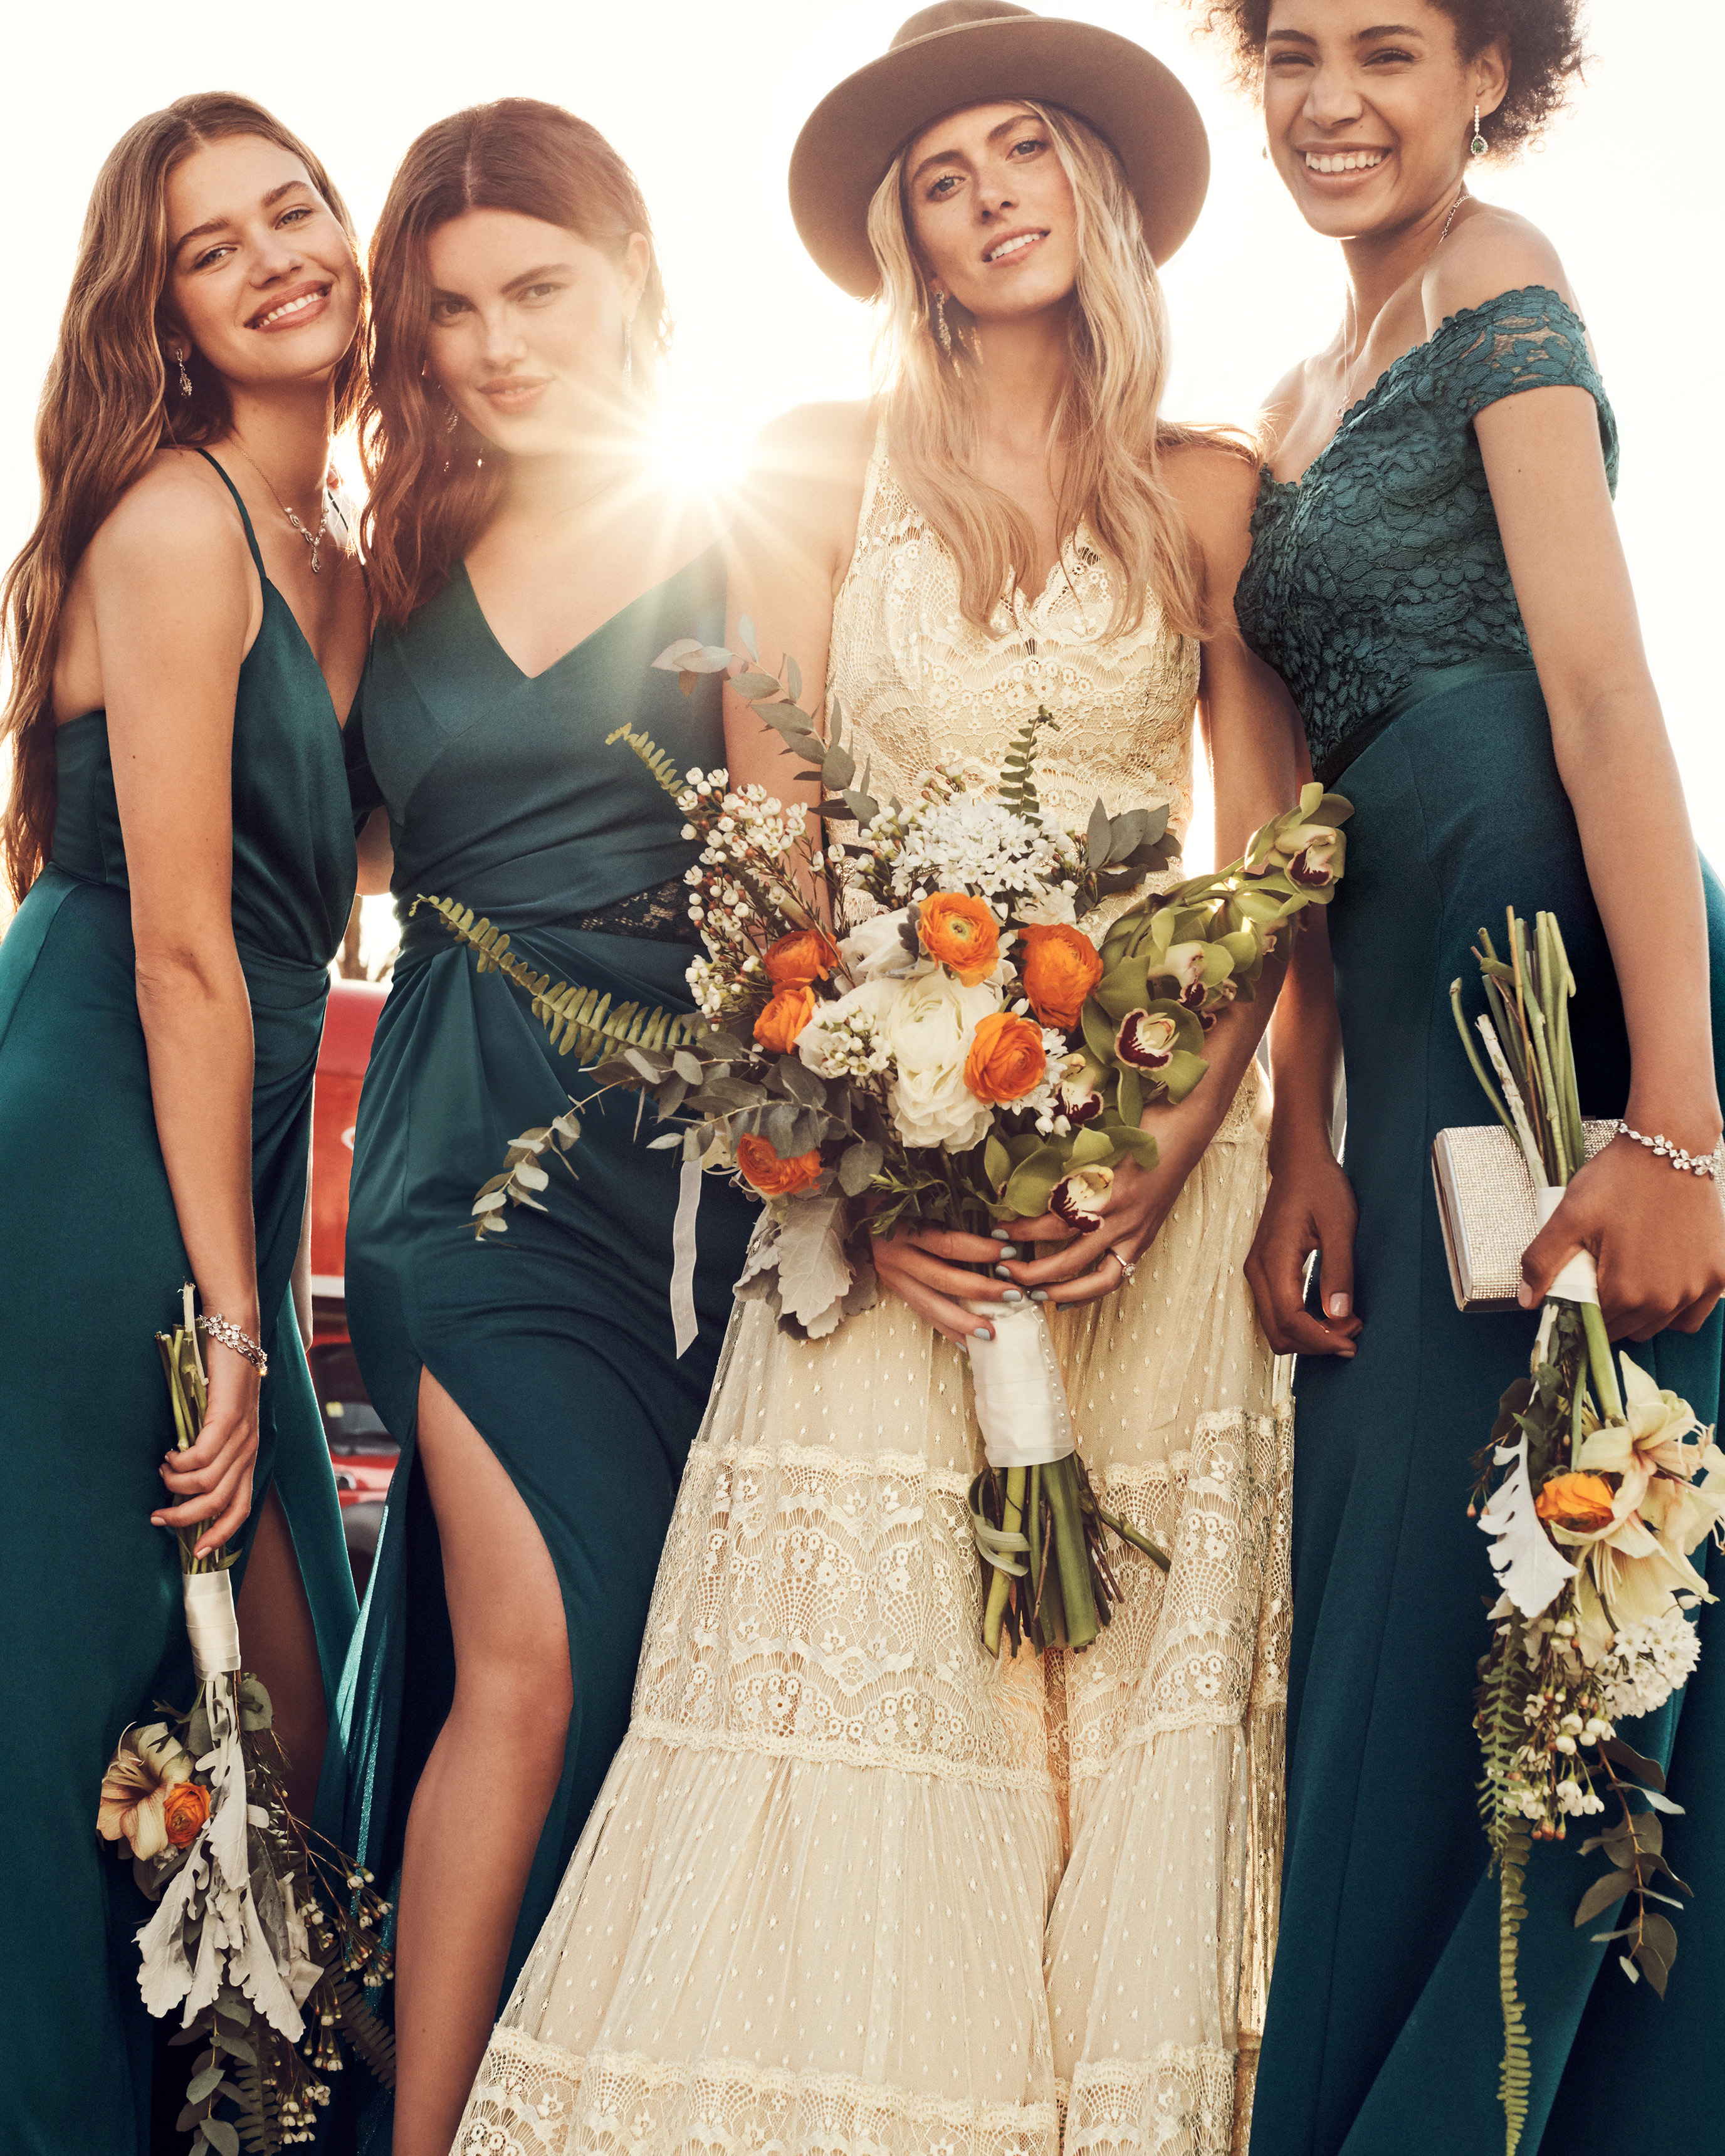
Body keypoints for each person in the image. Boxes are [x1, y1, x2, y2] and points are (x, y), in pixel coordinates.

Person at [454, 9, 1304, 2152]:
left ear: (1092, 191)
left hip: (1155, 1187)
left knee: (1128, 1713)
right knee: (869, 1689)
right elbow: (778, 875)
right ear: (902, 239)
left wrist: (1179, 1139)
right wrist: (876, 1178)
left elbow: (1269, 863)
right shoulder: (812, 472)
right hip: (887, 1194)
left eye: (1025, 152)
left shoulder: (1212, 491)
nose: (993, 194)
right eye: (943, 174)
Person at [1214, 4, 1725, 2151]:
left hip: (1555, 978)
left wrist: (1678, 1118)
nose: (1335, 99)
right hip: (1402, 998)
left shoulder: (1505, 283)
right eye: (1295, 49)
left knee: (1559, 1563)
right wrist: (1297, 1138)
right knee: (1410, 1572)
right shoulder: (1292, 393)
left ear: (1487, 80)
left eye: (1392, 50)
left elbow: (1603, 695)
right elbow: (1289, 843)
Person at [334, 99, 761, 2156]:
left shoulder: (735, 527)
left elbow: (798, 866)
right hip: (447, 1155)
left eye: (537, 291)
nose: (493, 345)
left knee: (651, 1649)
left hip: (682, 1166)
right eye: (446, 314)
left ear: (631, 283)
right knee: (530, 1649)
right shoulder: (386, 574)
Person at [0, 95, 365, 2152]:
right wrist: (244, 1317)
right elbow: (185, 954)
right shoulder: (170, 523)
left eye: (292, 210)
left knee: (273, 1696)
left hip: (210, 1138)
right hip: (92, 1135)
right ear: (165, 311)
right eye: (209, 247)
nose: (270, 258)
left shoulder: (343, 549)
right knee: (80, 1689)